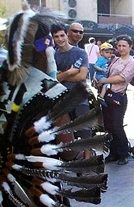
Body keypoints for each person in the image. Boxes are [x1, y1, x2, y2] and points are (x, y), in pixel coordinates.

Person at [1, 7, 107, 207]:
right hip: (34, 188)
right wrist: (82, 158)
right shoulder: (47, 89)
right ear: (44, 48)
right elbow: (65, 142)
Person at [51, 23, 92, 158]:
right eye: (56, 36)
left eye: (61, 35)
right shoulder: (53, 55)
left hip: (79, 97)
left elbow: (82, 76)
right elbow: (53, 78)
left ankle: (87, 161)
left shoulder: (80, 53)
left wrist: (61, 76)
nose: (60, 39)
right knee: (64, 133)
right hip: (61, 99)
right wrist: (69, 73)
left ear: (65, 34)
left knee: (85, 130)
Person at [97, 35, 134, 165]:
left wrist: (105, 80)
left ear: (130, 47)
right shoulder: (115, 60)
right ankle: (113, 152)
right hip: (107, 95)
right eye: (119, 46)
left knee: (117, 125)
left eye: (124, 46)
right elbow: (107, 73)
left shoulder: (132, 62)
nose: (121, 48)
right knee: (108, 126)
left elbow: (122, 78)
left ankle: (123, 153)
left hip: (119, 96)